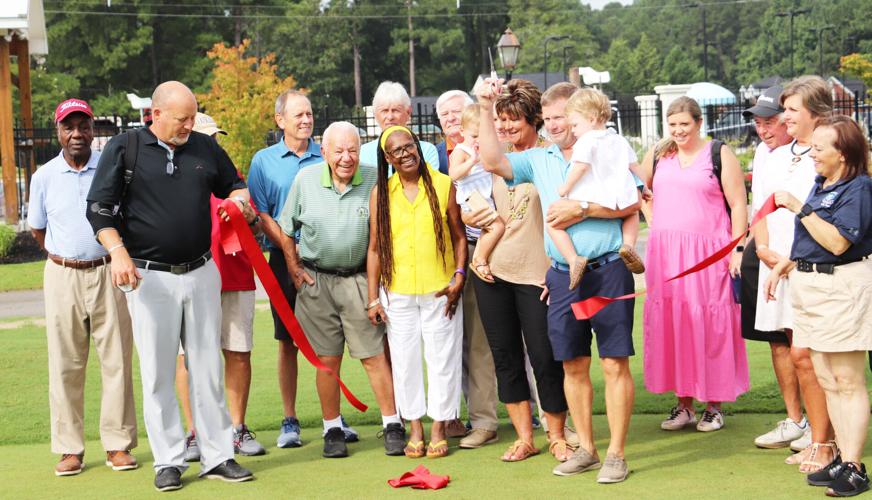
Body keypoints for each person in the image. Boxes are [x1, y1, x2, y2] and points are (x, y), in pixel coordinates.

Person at [86, 81, 254, 491]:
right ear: (155, 114)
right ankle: (169, 460)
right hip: (148, 277)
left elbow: (233, 184)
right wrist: (118, 252)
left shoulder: (203, 147)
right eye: (182, 119)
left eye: (193, 117)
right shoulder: (125, 148)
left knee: (208, 369)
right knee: (159, 372)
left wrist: (241, 201)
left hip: (201, 271)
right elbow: (98, 208)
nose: (189, 125)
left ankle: (218, 456)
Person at [478, 78, 638, 484]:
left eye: (560, 118)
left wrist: (583, 209)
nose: (553, 125)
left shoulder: (604, 148)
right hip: (564, 274)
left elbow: (635, 201)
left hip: (609, 269)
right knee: (572, 363)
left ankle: (616, 454)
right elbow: (494, 162)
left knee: (614, 362)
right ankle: (586, 448)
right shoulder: (540, 157)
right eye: (547, 118)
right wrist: (484, 107)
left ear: (581, 115)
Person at [276, 121, 405, 459]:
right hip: (317, 282)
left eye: (353, 150)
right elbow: (286, 229)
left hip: (361, 280)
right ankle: (332, 427)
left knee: (374, 356)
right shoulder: (305, 180)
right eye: (339, 151)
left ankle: (393, 424)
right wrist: (293, 267)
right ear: (324, 151)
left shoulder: (376, 177)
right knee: (326, 361)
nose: (347, 158)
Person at [28, 98, 138, 477]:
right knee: (65, 364)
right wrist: (67, 257)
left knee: (118, 361)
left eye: (84, 126)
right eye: (68, 127)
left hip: (110, 272)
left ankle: (117, 444)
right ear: (58, 131)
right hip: (62, 274)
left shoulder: (110, 170)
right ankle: (69, 449)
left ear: (94, 130)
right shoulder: (43, 176)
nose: (77, 134)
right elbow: (38, 228)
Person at [764, 114, 872, 497]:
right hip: (811, 286)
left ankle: (855, 468)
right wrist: (786, 265)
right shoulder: (823, 182)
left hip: (840, 289)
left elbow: (839, 243)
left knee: (847, 380)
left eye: (820, 148)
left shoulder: (857, 188)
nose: (812, 153)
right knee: (827, 379)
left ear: (842, 154)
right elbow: (812, 242)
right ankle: (843, 460)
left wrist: (799, 207)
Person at [464, 81, 570, 463]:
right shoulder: (503, 159)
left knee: (545, 357)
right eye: (501, 120)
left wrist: (555, 271)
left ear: (534, 120)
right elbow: (492, 175)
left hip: (538, 276)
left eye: (513, 120)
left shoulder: (550, 158)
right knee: (505, 357)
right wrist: (486, 104)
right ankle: (525, 437)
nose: (506, 127)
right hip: (495, 272)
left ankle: (557, 434)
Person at [248, 90, 357, 447]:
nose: (306, 120)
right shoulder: (264, 161)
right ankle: (290, 420)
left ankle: (334, 421)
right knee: (288, 341)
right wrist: (290, 253)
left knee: (330, 343)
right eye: (298, 115)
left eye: (309, 114)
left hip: (326, 261)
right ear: (280, 120)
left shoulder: (325, 152)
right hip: (283, 259)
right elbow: (262, 214)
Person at [640, 96, 749, 433]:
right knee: (676, 323)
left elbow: (738, 203)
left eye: (684, 124)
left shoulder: (719, 153)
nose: (678, 131)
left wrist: (738, 248)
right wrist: (653, 221)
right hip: (666, 254)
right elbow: (637, 192)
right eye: (672, 125)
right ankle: (683, 404)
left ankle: (714, 405)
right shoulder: (659, 155)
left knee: (709, 323)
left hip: (709, 254)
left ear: (698, 123)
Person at [366, 125, 467, 459]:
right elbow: (375, 249)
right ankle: (415, 428)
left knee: (442, 359)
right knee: (406, 363)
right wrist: (373, 297)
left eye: (410, 146)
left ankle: (439, 426)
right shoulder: (382, 193)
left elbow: (458, 236)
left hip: (441, 289)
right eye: (397, 150)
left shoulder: (443, 184)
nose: (406, 153)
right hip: (398, 292)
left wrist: (459, 275)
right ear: (387, 158)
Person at [175, 113, 265, 462]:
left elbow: (256, 227)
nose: (212, 144)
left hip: (236, 277)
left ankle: (236, 428)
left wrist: (247, 216)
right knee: (190, 358)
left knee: (238, 352)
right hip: (193, 279)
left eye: (215, 138)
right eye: (205, 138)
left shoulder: (232, 180)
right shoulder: (178, 179)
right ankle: (195, 431)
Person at [760, 76, 836, 472]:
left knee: (815, 357)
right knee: (800, 355)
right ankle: (820, 438)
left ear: (815, 113)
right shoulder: (776, 155)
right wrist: (763, 251)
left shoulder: (833, 153)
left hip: (817, 267)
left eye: (792, 110)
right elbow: (764, 210)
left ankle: (828, 441)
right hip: (781, 265)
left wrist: (790, 259)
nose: (783, 116)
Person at [742, 85, 810, 451]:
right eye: (759, 123)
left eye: (771, 122)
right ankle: (795, 419)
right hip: (769, 260)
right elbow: (760, 210)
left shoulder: (815, 151)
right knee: (779, 340)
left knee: (806, 345)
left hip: (804, 262)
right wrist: (764, 249)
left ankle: (820, 424)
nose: (764, 130)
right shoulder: (762, 153)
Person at [436, 89, 500, 445]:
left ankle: (551, 417)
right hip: (473, 246)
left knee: (528, 341)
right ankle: (484, 421)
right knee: (477, 343)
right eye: (446, 115)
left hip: (508, 244)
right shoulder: (452, 155)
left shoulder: (498, 145)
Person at [552, 87, 645, 289]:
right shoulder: (619, 139)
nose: (573, 130)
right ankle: (628, 246)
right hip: (619, 197)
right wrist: (645, 187)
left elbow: (580, 167)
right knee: (631, 215)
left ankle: (573, 259)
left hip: (589, 199)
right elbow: (635, 166)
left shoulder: (586, 141)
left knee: (553, 224)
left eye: (575, 124)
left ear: (592, 118)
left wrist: (565, 187)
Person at [448, 104, 505, 283]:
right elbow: (454, 174)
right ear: (462, 131)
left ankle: (482, 256)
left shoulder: (483, 148)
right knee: (497, 227)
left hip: (484, 196)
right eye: (474, 136)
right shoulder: (462, 151)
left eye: (482, 135)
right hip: (472, 198)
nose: (478, 140)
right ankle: (479, 259)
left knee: (490, 228)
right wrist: (472, 161)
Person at [359, 81, 441, 173]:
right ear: (375, 114)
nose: (390, 117)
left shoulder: (426, 151)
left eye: (395, 110)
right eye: (384, 111)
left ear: (408, 112)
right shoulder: (363, 153)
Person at [435, 90, 474, 171]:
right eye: (444, 114)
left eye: (456, 111)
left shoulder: (486, 147)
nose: (450, 118)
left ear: (471, 113)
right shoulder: (434, 155)